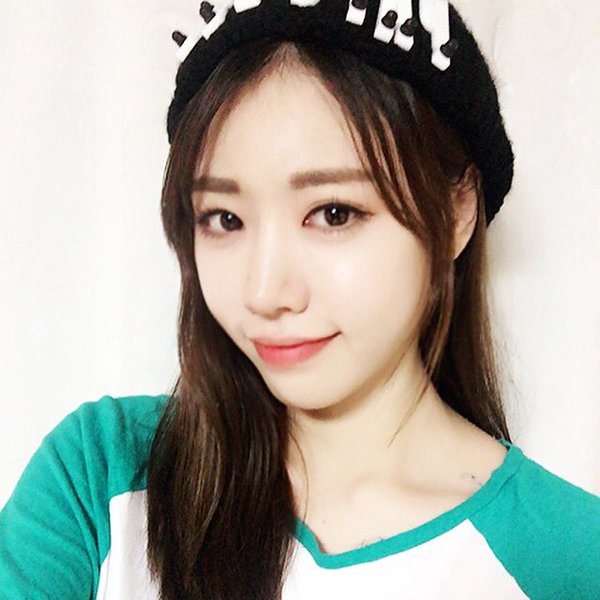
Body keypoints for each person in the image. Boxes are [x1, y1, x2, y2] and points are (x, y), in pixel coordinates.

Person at [1, 0, 599, 598]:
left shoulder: (568, 559)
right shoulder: (101, 478)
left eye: (333, 213)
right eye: (225, 218)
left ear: (456, 213)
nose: (265, 293)